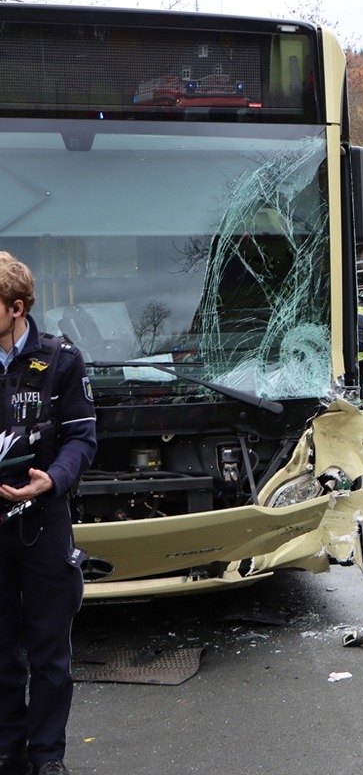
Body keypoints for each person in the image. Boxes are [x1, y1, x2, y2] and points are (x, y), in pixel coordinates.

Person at [0, 253, 97, 775]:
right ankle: (8, 749)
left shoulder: (60, 359)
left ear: (16, 308)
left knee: (49, 653)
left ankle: (47, 757)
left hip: (43, 523)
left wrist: (52, 479)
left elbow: (83, 438)